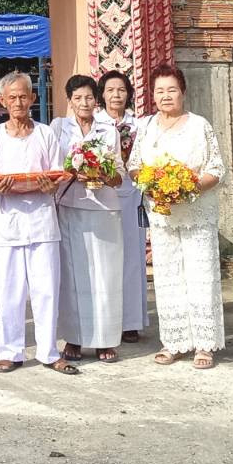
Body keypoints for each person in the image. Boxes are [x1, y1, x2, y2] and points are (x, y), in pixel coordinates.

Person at [0, 72, 77, 375]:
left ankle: (48, 351)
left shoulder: (45, 134)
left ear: (33, 99)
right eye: (12, 97)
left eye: (23, 96)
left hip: (43, 222)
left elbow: (58, 173)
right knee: (9, 291)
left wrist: (49, 186)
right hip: (7, 223)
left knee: (46, 290)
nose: (18, 102)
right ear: (2, 101)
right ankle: (10, 351)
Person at [127, 64, 225, 369]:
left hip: (196, 213)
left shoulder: (199, 126)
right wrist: (152, 186)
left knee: (200, 276)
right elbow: (133, 166)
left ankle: (204, 345)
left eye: (171, 90)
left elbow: (217, 169)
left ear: (182, 92)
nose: (166, 96)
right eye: (159, 91)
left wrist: (188, 186)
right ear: (152, 95)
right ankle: (174, 342)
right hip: (162, 216)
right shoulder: (146, 127)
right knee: (168, 278)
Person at [50, 74, 124, 364]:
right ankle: (74, 339)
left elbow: (119, 176)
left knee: (105, 276)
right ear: (69, 101)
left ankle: (106, 340)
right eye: (78, 98)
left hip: (104, 209)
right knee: (74, 275)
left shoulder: (109, 130)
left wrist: (101, 173)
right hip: (70, 205)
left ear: (97, 100)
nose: (84, 103)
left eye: (89, 97)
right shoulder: (59, 127)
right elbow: (53, 168)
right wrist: (72, 172)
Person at [97, 70, 147, 344]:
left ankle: (130, 321)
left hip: (131, 195)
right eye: (110, 90)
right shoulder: (95, 125)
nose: (116, 95)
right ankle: (106, 318)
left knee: (131, 258)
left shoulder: (139, 125)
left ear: (128, 94)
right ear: (102, 94)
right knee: (105, 259)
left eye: (121, 90)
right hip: (101, 196)